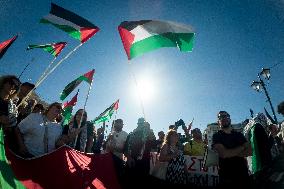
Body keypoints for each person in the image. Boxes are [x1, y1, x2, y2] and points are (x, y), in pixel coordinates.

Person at [212, 111, 251, 189]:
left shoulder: (239, 135)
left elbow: (250, 151)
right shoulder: (216, 136)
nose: (224, 118)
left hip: (243, 175)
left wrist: (230, 152)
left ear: (230, 119)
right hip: (226, 177)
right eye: (221, 117)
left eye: (226, 116)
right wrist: (242, 147)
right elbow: (224, 154)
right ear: (218, 121)